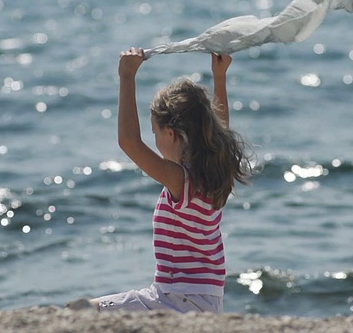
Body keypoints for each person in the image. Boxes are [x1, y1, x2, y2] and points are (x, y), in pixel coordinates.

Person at [88, 48, 251, 313]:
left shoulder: (182, 180)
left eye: (155, 132)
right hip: (205, 300)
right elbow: (219, 127)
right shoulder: (214, 171)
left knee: (79, 311)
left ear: (171, 134)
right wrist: (219, 77)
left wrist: (127, 76)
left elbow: (129, 142)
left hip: (177, 298)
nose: (155, 140)